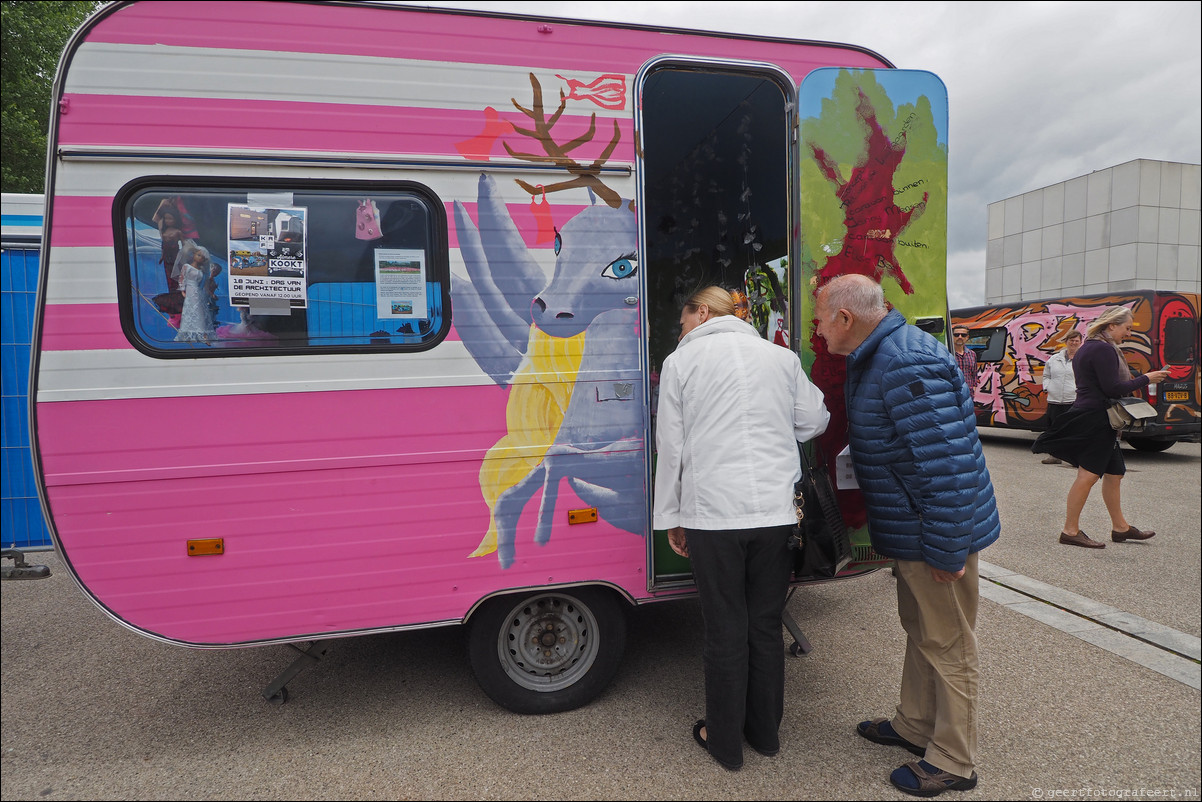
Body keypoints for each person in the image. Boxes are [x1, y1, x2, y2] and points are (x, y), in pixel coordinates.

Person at [814, 274, 999, 798]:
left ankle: (953, 761)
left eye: (822, 319)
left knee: (949, 643)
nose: (819, 331)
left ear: (846, 318)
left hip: (932, 535)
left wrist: (945, 549)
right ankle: (914, 725)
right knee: (923, 631)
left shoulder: (904, 362)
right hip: (916, 529)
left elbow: (947, 469)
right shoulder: (884, 353)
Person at [653, 285, 829, 772]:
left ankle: (725, 743)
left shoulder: (680, 363)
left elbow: (671, 445)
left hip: (712, 515)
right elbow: (814, 420)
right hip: (774, 515)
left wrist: (670, 517)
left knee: (724, 628)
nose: (681, 329)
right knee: (765, 626)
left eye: (683, 319)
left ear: (702, 311)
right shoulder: (780, 358)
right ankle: (766, 735)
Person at [1032, 307, 1171, 548]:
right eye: (1127, 328)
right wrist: (1148, 378)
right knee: (1087, 475)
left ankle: (1120, 528)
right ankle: (1070, 531)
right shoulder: (1104, 349)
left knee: (1115, 473)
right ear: (1111, 326)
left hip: (1092, 415)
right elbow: (1113, 388)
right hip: (1097, 418)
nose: (1128, 333)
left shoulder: (1089, 347)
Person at [1039, 330, 1083, 464]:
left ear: (1081, 343)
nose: (1074, 343)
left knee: (1073, 429)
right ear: (1066, 341)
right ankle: (1054, 456)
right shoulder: (1054, 359)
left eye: (1077, 341)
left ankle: (1074, 457)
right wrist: (1047, 387)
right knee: (1054, 428)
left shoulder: (1082, 359)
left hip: (1073, 399)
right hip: (1054, 399)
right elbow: (1046, 375)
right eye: (1071, 340)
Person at [951, 324, 978, 391]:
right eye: (956, 335)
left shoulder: (972, 354)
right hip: (953, 393)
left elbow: (974, 374)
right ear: (952, 336)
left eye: (963, 335)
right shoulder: (947, 354)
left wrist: (974, 387)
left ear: (967, 337)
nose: (960, 337)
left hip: (969, 393)